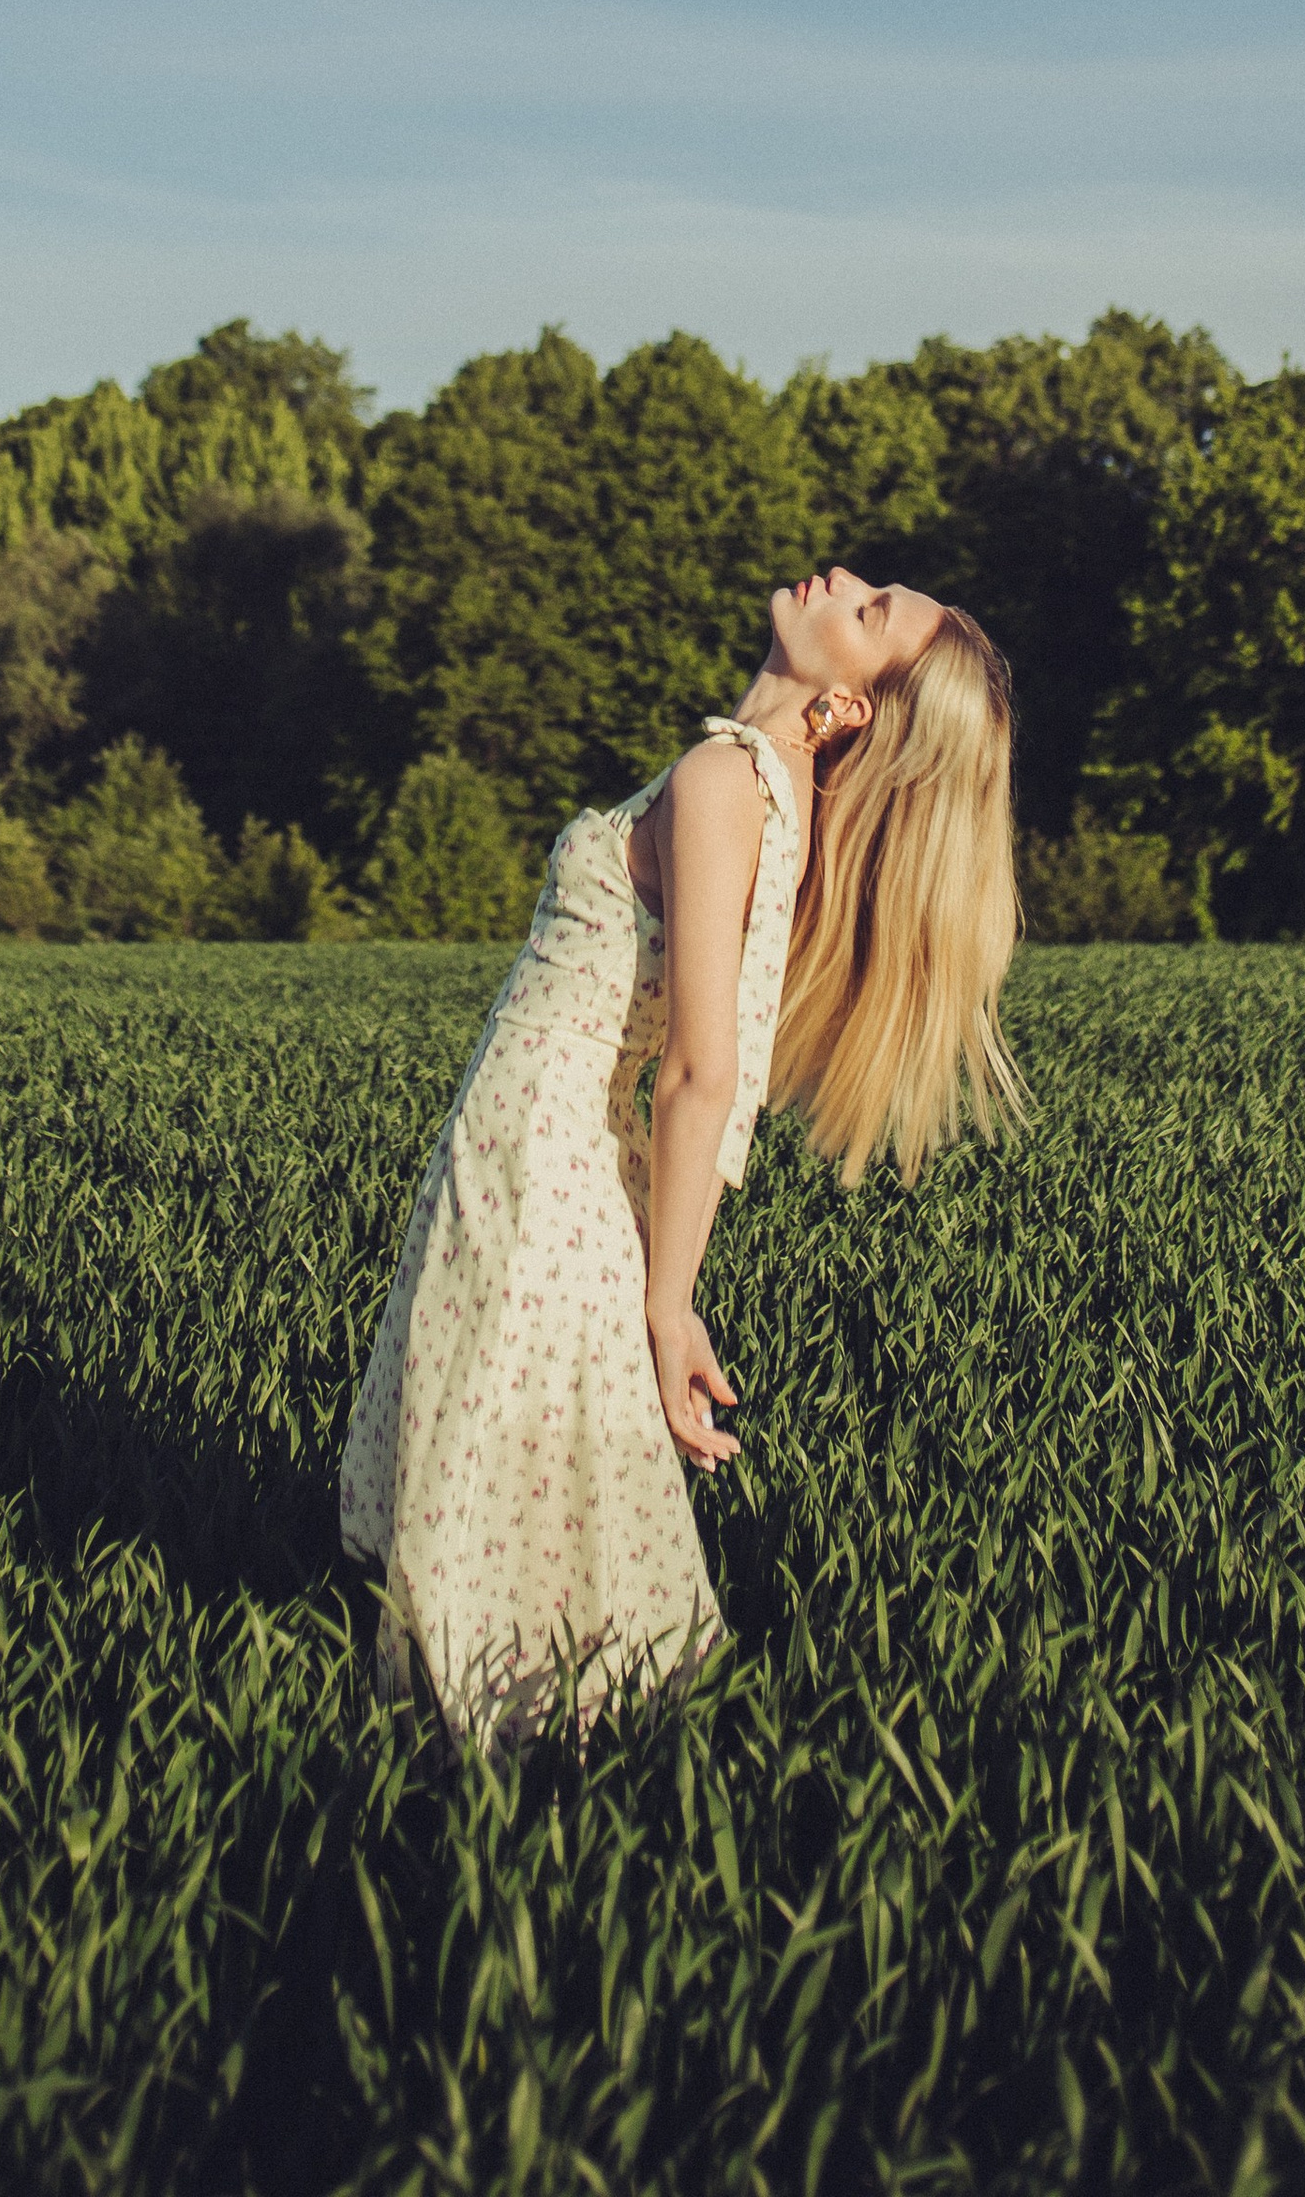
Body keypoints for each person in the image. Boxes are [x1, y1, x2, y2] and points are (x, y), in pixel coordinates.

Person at [338, 566, 1025, 1741]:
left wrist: (668, 1309)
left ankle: (480, 1772)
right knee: (531, 1477)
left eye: (869, 613)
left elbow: (705, 1071)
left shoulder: (727, 782)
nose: (843, 581)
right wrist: (663, 1279)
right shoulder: (768, 790)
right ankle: (546, 1754)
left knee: (489, 1480)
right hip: (556, 1164)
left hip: (538, 1161)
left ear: (853, 709)